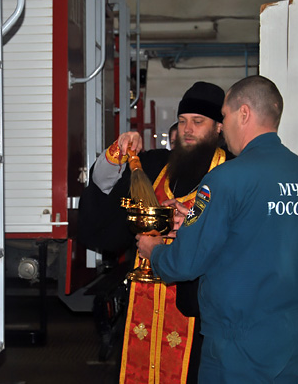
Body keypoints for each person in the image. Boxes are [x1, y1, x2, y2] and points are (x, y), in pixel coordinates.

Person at [137, 75, 298, 383]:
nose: (222, 126)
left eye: (223, 116)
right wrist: (198, 222)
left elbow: (183, 264)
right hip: (289, 332)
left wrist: (154, 251)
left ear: (244, 114)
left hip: (237, 340)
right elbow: (259, 232)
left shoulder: (226, 179)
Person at [78, 81, 228, 384]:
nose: (188, 129)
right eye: (183, 120)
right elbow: (105, 184)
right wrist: (118, 152)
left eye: (198, 122)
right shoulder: (158, 164)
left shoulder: (232, 173)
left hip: (196, 309)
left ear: (219, 128)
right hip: (142, 300)